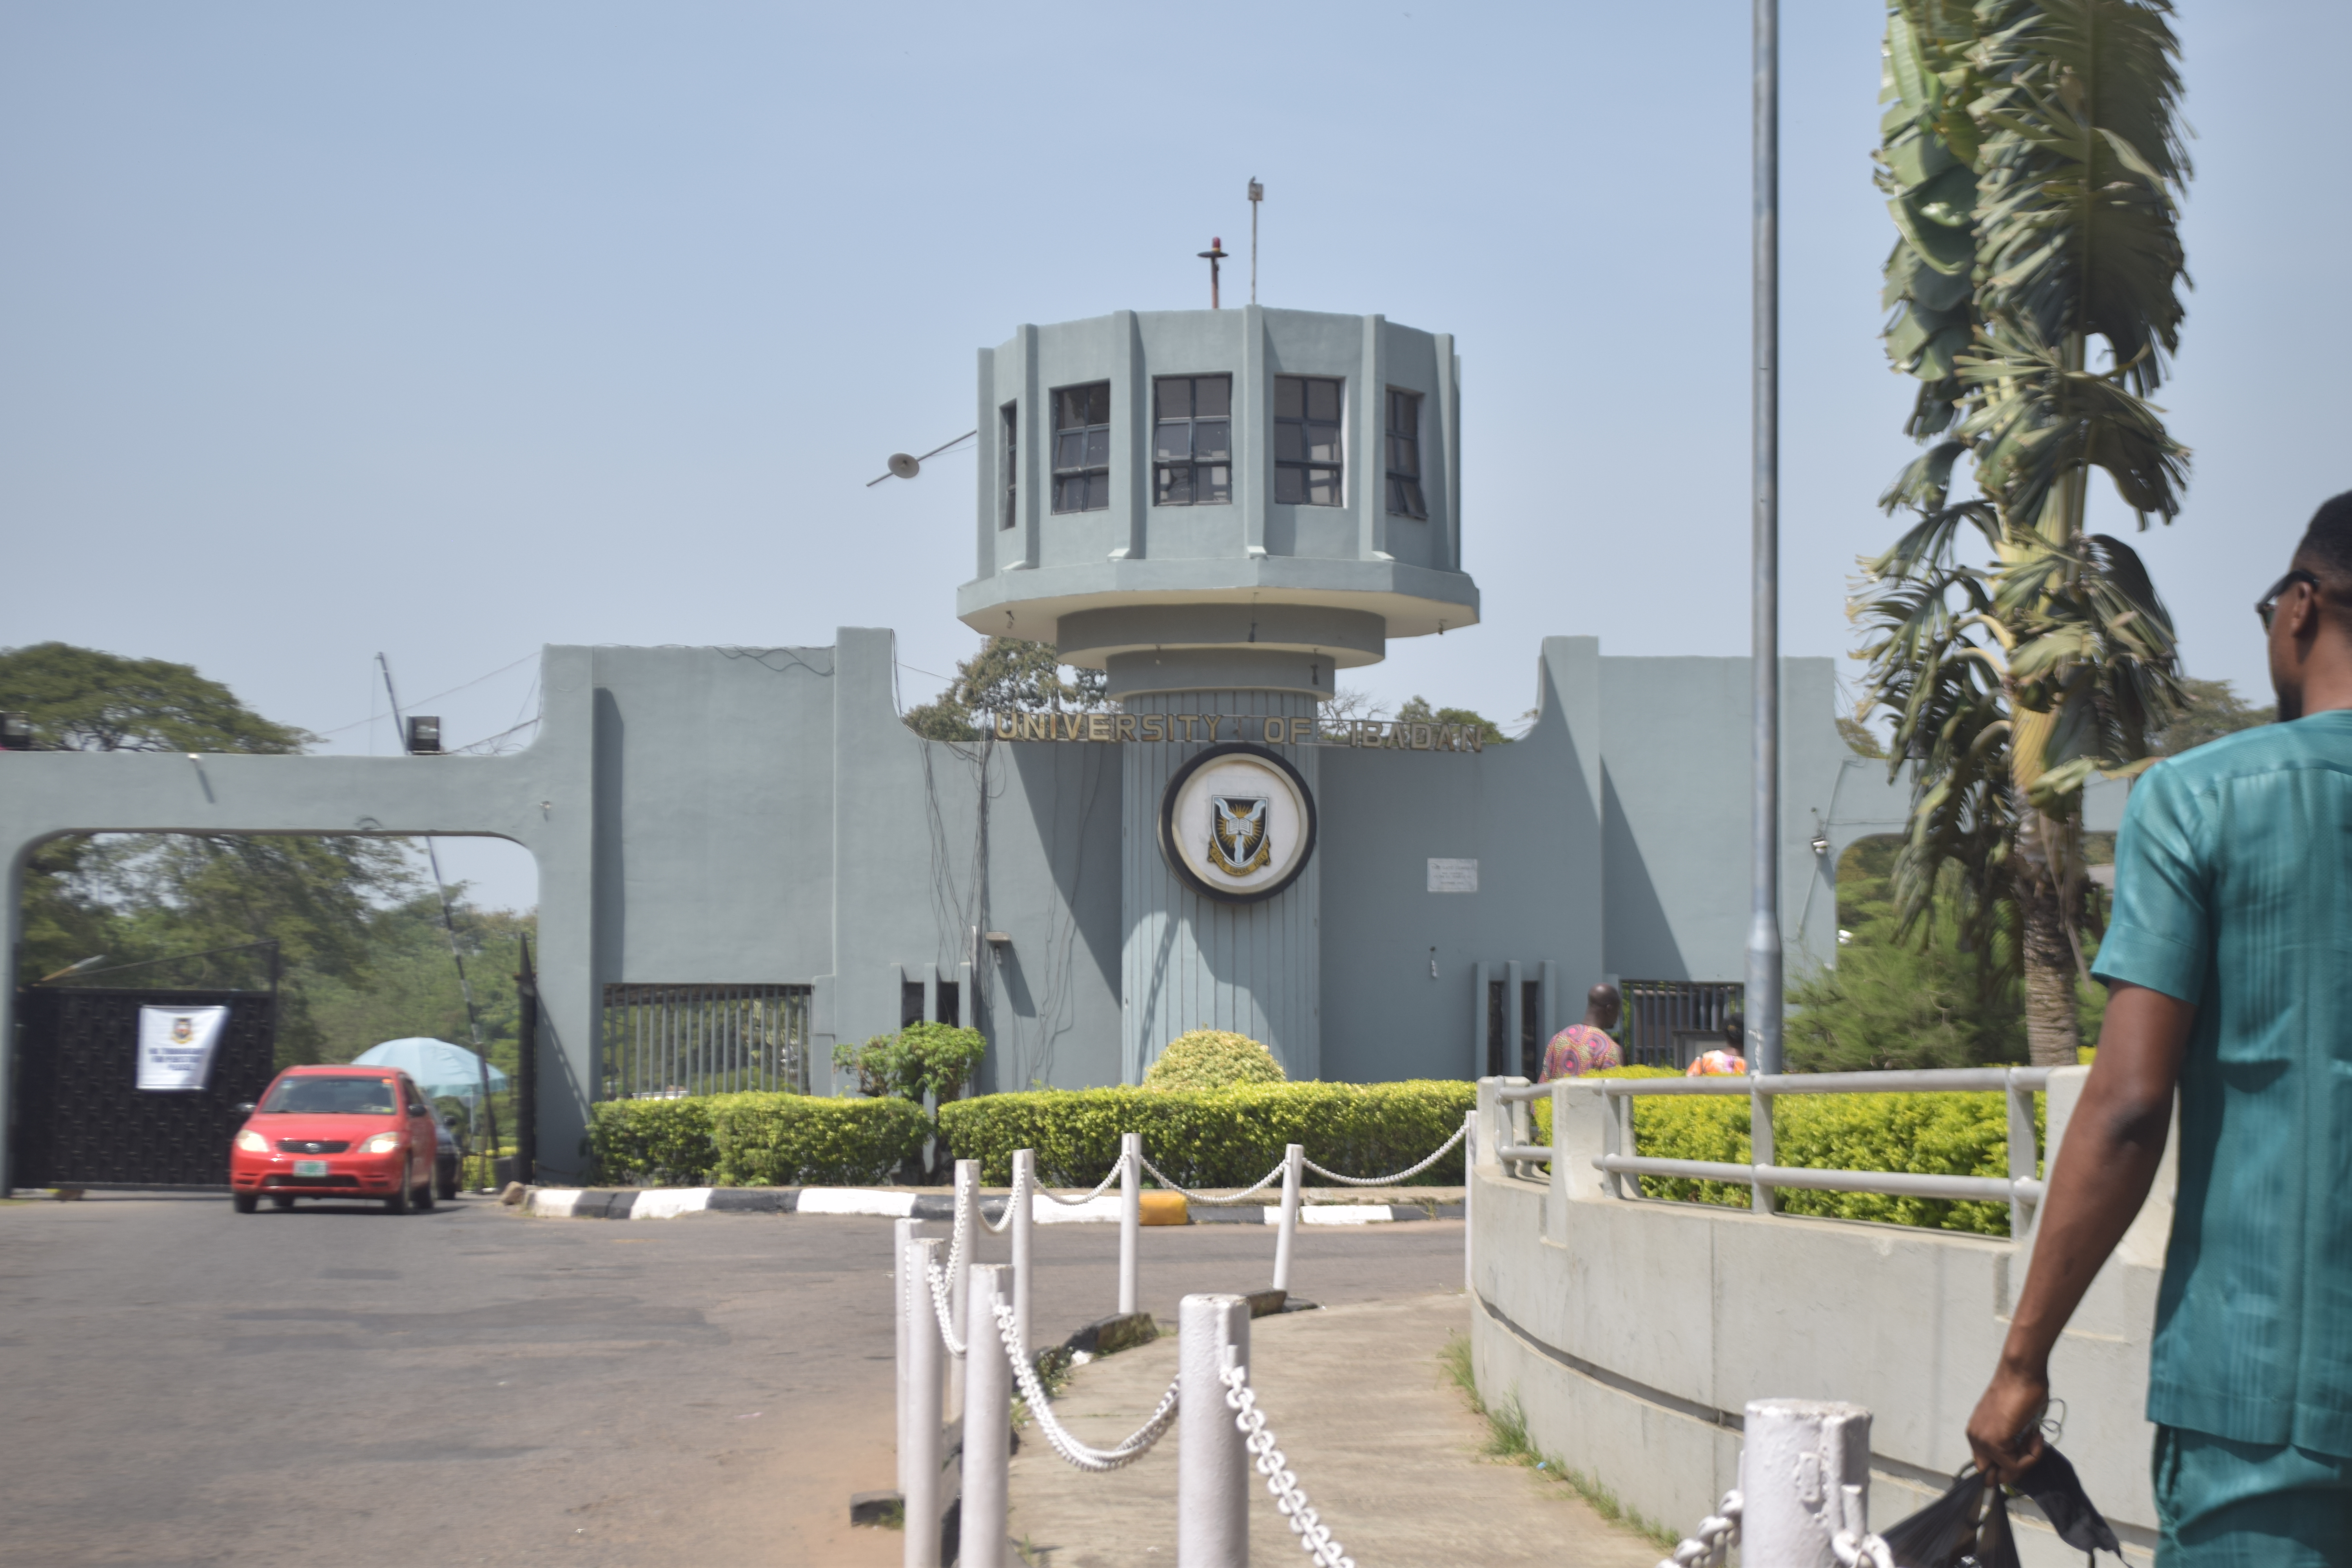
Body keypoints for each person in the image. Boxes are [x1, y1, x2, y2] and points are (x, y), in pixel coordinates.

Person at [1965, 493, 2352, 1564]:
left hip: (2260, 1400)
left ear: (2301, 610)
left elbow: (2131, 1104)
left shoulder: (2202, 801)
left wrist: (2023, 1364)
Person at [1538, 984, 1622, 1081]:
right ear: (1610, 1009)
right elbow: (1613, 1093)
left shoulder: (1559, 1038)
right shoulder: (1608, 1049)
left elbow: (1544, 1085)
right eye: (1618, 1011)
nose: (1618, 1017)